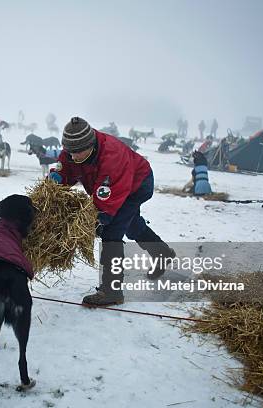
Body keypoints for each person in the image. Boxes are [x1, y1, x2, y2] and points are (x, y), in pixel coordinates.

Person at [49, 117, 175, 306]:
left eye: (77, 153)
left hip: (137, 184)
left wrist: (97, 220)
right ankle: (162, 252)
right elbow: (65, 170)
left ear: (90, 145)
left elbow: (106, 202)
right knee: (131, 225)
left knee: (112, 231)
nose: (73, 157)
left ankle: (112, 291)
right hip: (112, 185)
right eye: (70, 152)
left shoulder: (112, 157)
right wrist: (55, 181)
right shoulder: (73, 150)